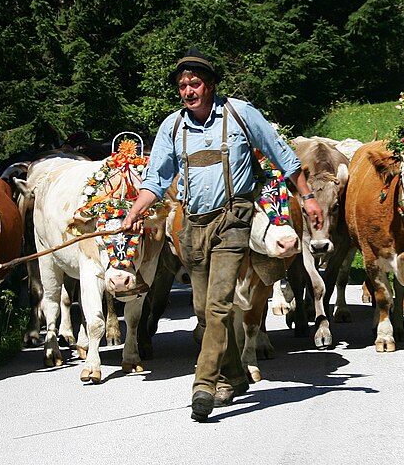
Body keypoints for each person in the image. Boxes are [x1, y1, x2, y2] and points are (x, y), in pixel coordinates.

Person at [122, 46, 324, 422]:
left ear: (211, 84)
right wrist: (135, 211)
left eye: (195, 83)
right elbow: (156, 179)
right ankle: (234, 374)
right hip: (194, 225)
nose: (188, 90)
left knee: (217, 305)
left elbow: (282, 154)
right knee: (203, 310)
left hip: (234, 219)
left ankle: (205, 384)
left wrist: (307, 197)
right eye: (183, 85)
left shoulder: (240, 114)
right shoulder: (173, 127)